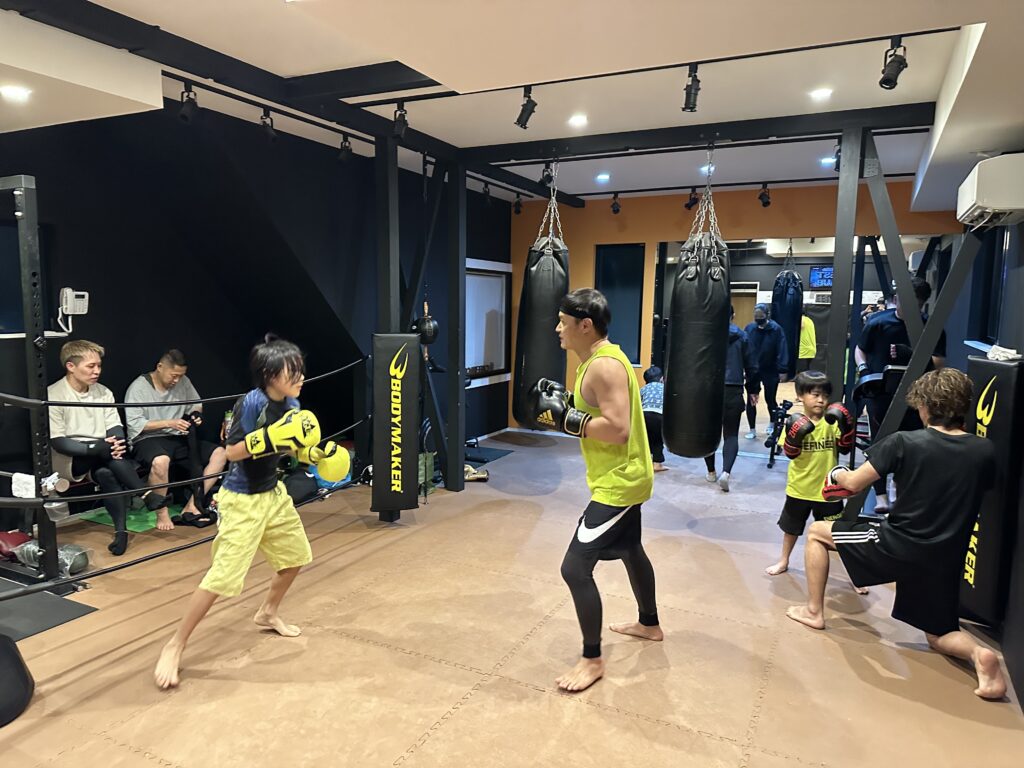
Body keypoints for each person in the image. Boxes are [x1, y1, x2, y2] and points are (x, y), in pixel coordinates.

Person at [786, 368, 1006, 700]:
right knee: (938, 634)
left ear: (925, 406)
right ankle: (979, 654)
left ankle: (813, 611)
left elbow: (853, 484)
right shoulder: (984, 450)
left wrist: (838, 473)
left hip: (898, 544)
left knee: (817, 532)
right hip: (945, 558)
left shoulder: (904, 442)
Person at [154, 336, 332, 690]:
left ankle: (267, 612)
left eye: (301, 370)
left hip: (273, 494)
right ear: (270, 375)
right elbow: (232, 452)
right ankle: (175, 644)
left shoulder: (293, 403)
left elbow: (287, 447)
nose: (301, 377)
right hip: (242, 501)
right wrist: (270, 438)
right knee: (221, 578)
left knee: (295, 558)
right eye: (293, 371)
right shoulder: (251, 404)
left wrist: (308, 453)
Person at [529, 288, 661, 692]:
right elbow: (600, 411)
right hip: (625, 475)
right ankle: (649, 624)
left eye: (563, 323)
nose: (557, 329)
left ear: (585, 325)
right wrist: (569, 403)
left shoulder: (603, 367)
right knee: (630, 549)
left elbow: (617, 429)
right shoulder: (597, 360)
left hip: (619, 482)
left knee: (573, 568)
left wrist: (568, 421)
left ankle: (592, 659)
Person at [48, 340, 165, 556]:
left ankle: (121, 532)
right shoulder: (54, 394)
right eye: (91, 366)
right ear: (71, 366)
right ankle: (145, 493)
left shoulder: (103, 392)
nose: (97, 371)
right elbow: (59, 442)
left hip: (103, 454)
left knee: (107, 473)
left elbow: (115, 427)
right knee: (107, 452)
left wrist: (116, 443)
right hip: (70, 460)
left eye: (99, 366)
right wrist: (103, 447)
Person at [855, 277, 946, 512]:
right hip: (880, 393)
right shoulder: (878, 322)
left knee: (910, 445)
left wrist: (914, 355)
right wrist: (863, 369)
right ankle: (881, 497)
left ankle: (899, 492)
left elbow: (938, 363)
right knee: (879, 443)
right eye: (903, 302)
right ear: (896, 299)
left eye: (915, 304)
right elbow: (860, 349)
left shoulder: (931, 327)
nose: (908, 308)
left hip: (915, 397)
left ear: (923, 303)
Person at [764, 370, 857, 581]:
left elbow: (844, 449)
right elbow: (790, 453)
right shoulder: (794, 423)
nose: (821, 400)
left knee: (836, 534)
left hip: (828, 491)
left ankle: (852, 574)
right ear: (800, 396)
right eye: (815, 395)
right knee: (791, 529)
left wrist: (847, 428)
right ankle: (784, 560)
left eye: (825, 395)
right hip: (799, 488)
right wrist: (794, 436)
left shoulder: (832, 421)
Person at [125, 349, 228, 531]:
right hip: (147, 438)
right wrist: (169, 422)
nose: (177, 380)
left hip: (177, 437)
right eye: (174, 376)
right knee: (161, 461)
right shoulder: (138, 388)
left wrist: (195, 415)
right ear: (160, 367)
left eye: (180, 376)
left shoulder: (183, 382)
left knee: (220, 454)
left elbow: (196, 404)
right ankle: (161, 511)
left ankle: (194, 503)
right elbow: (135, 424)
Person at [704, 306, 758, 492]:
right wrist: (753, 389)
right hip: (733, 389)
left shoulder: (707, 335)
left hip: (709, 390)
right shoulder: (743, 336)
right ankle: (726, 473)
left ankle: (711, 472)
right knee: (731, 434)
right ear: (733, 315)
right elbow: (752, 366)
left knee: (709, 433)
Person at [744, 303, 789, 439]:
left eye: (761, 316)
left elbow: (782, 349)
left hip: (770, 369)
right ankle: (752, 429)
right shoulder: (750, 328)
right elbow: (744, 347)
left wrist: (783, 369)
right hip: (753, 369)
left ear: (767, 315)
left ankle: (771, 424)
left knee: (770, 399)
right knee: (751, 400)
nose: (758, 318)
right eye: (756, 316)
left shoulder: (776, 329)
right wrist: (744, 366)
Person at [639, 366, 667, 472]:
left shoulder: (644, 388)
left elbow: (638, 402)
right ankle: (657, 463)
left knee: (645, 438)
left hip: (644, 414)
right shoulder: (664, 388)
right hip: (659, 415)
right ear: (662, 379)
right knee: (658, 440)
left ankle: (644, 461)